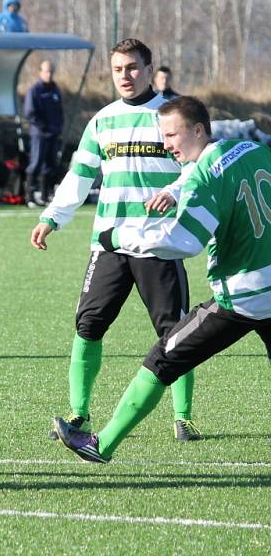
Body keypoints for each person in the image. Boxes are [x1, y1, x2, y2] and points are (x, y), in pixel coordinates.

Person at [54, 96, 271, 462]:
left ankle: (100, 445)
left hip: (242, 296)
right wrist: (176, 191)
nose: (166, 144)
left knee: (162, 358)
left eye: (171, 135)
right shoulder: (251, 149)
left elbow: (183, 242)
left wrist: (119, 238)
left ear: (198, 130)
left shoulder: (206, 174)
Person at [30, 38, 201, 443]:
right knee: (88, 326)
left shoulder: (169, 117)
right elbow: (80, 175)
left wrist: (175, 193)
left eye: (133, 67)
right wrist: (53, 216)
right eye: (118, 69)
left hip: (158, 243)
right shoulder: (101, 121)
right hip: (108, 243)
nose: (125, 75)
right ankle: (79, 414)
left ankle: (184, 417)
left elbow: (197, 167)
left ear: (148, 68)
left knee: (175, 332)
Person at [23, 59, 63, 206]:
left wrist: (58, 127)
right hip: (40, 135)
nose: (49, 74)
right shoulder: (34, 90)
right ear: (40, 72)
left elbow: (59, 111)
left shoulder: (55, 89)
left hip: (53, 134)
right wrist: (45, 127)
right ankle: (29, 197)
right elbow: (30, 113)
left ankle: (46, 197)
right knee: (36, 164)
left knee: (51, 166)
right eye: (46, 71)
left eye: (51, 71)